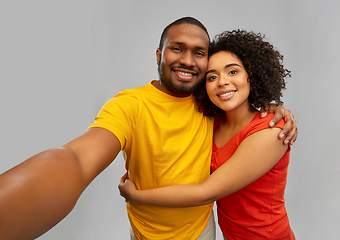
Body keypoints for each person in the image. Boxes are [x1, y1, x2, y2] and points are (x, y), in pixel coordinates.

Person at [0, 18, 297, 240]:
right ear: (159, 55)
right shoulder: (135, 105)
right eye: (177, 49)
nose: (187, 61)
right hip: (146, 233)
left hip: (211, 233)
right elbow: (76, 159)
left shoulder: (240, 118)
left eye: (198, 53)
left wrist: (278, 110)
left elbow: (209, 189)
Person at [119, 29, 295, 239]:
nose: (222, 82)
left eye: (232, 72)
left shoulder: (271, 132)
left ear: (251, 75)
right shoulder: (214, 123)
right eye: (212, 76)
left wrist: (137, 196)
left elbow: (206, 193)